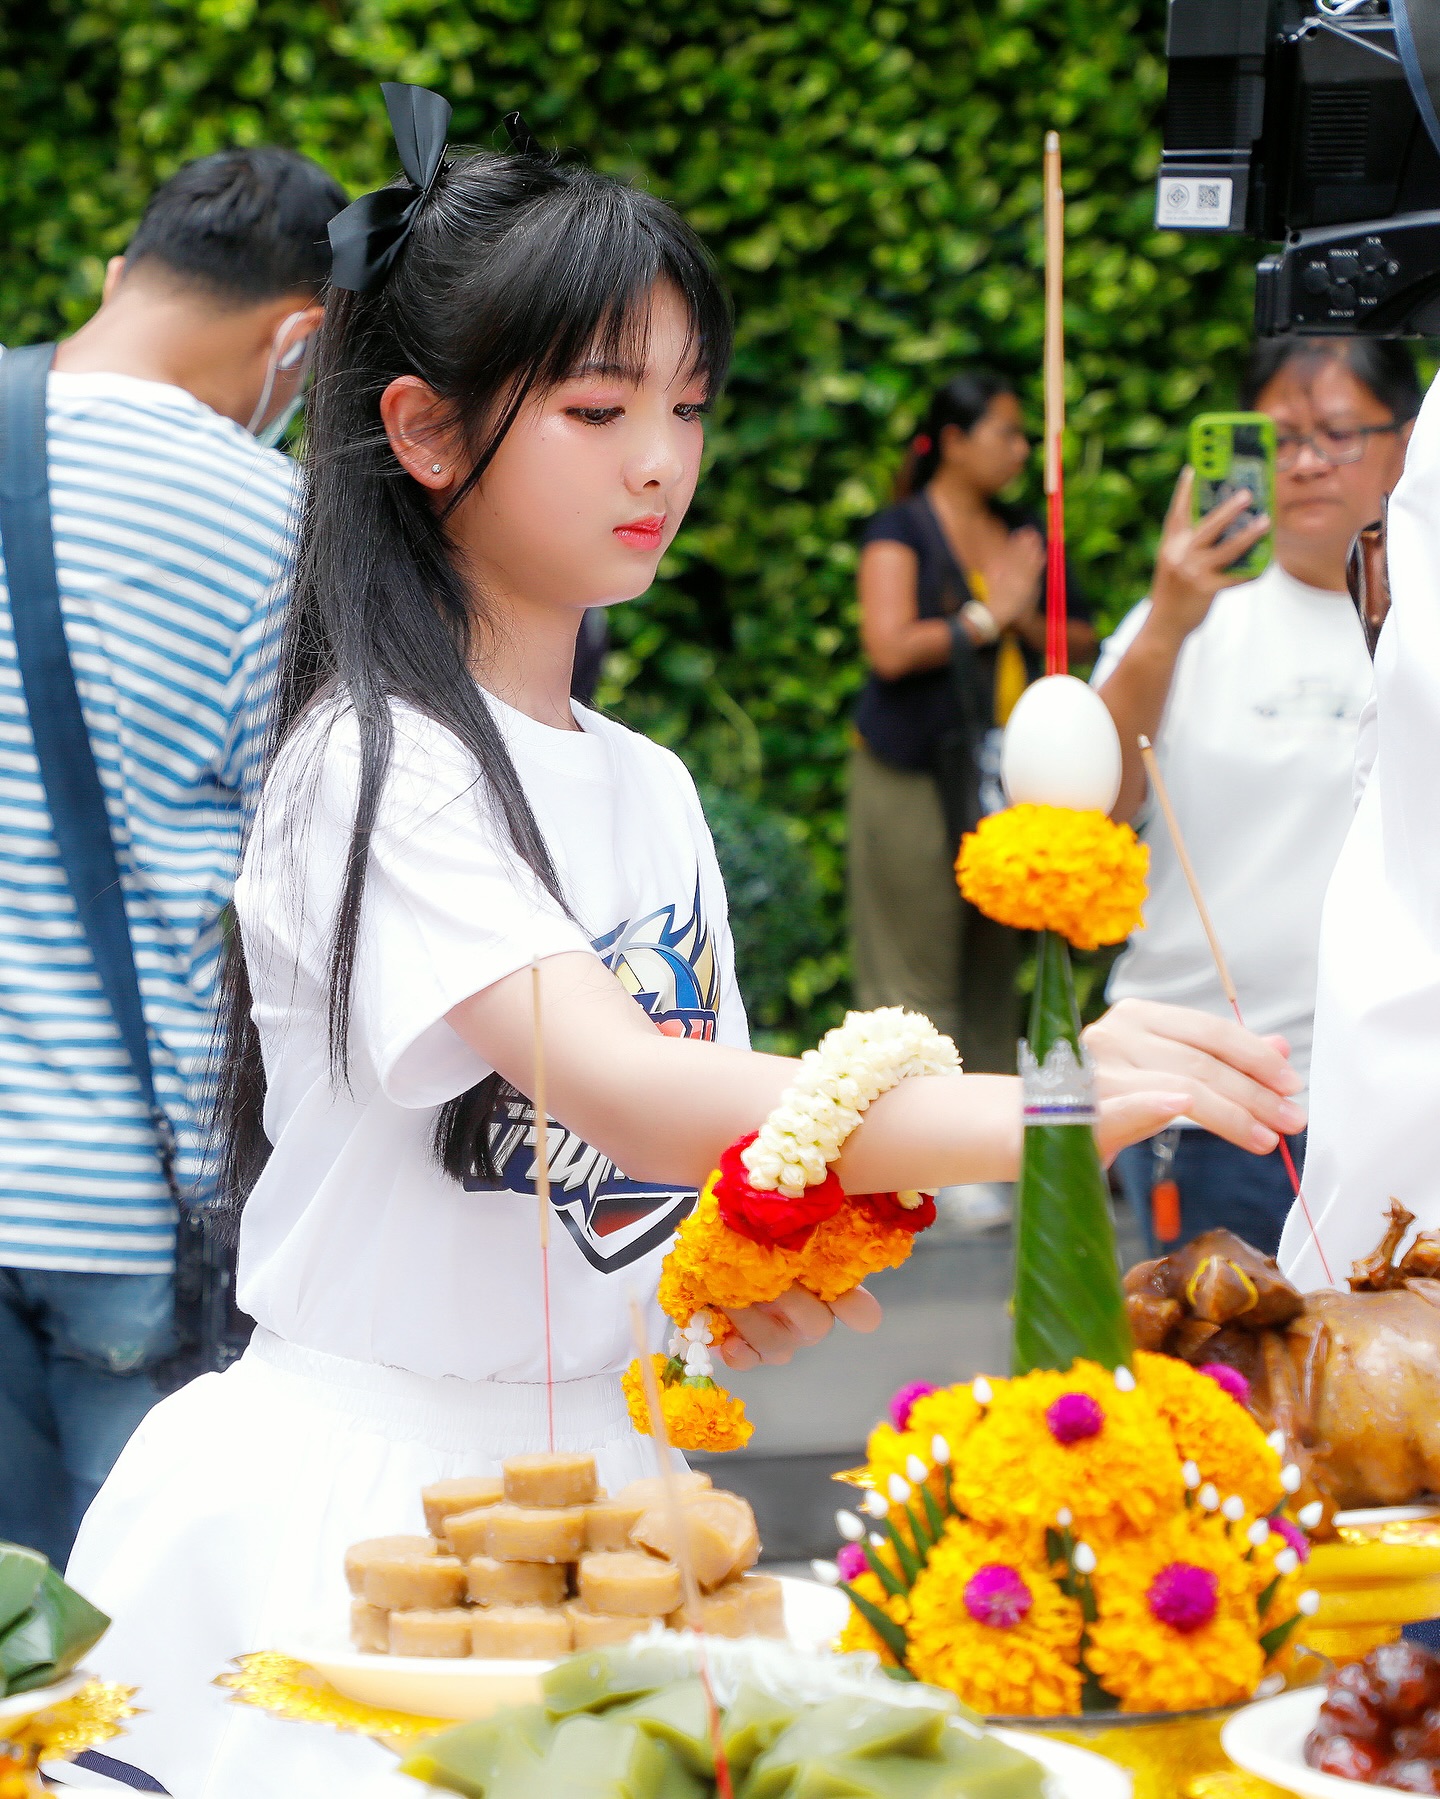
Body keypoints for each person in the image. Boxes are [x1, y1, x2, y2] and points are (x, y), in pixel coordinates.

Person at [66, 94, 1307, 1799]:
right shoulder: (370, 763)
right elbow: (648, 1089)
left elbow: (698, 1168)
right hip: (366, 1517)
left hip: (625, 1501)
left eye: (688, 406)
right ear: (424, 432)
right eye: (596, 407)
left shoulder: (644, 786)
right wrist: (1057, 1099)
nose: (663, 459)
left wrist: (742, 1278)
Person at [0, 146, 346, 1569]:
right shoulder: (271, 522)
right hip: (128, 1203)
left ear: (113, 279)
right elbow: (321, 872)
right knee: (132, 1669)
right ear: (298, 339)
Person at [1095, 337, 1419, 1257]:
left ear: (1407, 445)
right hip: (1210, 1098)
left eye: (1340, 432)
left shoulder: (1421, 630)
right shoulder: (1193, 616)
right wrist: (1165, 618)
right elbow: (1090, 814)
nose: (1308, 460)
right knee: (1217, 1393)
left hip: (1389, 1092)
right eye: (1281, 436)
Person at [848, 371, 1097, 1075]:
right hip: (912, 766)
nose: (1021, 449)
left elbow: (1082, 639)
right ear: (954, 442)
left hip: (1007, 777)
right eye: (1007, 433)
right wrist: (990, 616)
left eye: (1025, 435)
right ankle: (918, 1158)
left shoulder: (1023, 531)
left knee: (995, 963)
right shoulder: (901, 527)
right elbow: (889, 646)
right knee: (914, 967)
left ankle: (988, 1155)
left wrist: (1019, 610)